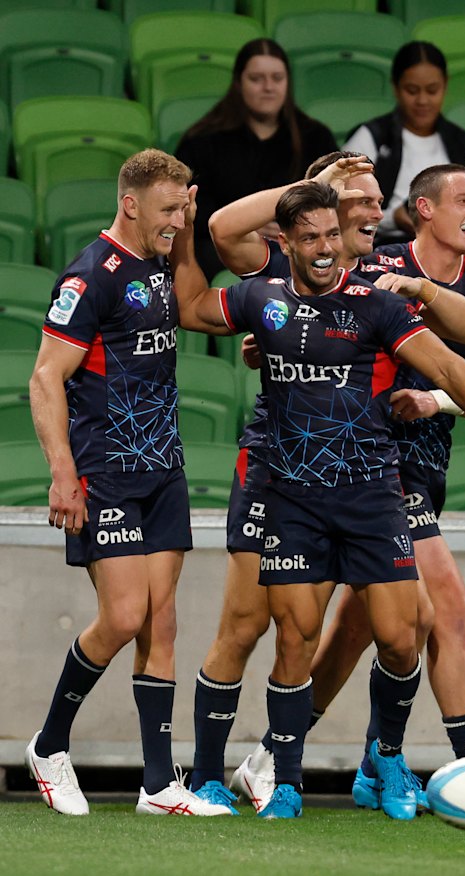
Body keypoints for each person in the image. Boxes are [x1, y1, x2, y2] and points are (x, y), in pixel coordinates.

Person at [171, 179, 465, 820]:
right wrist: (181, 232)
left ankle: (385, 758)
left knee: (403, 636)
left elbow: (453, 365)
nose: (323, 248)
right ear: (285, 241)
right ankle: (284, 779)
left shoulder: (376, 303)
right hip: (292, 496)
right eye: (309, 236)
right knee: (294, 635)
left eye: (331, 236)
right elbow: (192, 306)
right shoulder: (262, 298)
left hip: (372, 493)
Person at [26, 149, 231, 817]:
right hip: (105, 469)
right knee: (124, 616)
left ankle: (156, 785)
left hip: (163, 467)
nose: (177, 219)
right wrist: (63, 473)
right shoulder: (91, 276)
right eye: (168, 209)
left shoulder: (162, 260)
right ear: (131, 203)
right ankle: (50, 744)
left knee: (163, 622)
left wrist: (189, 231)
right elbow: (44, 377)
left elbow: (197, 305)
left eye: (183, 207)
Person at [344, 41, 465, 272]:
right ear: (396, 88)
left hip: (451, 245)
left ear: (445, 86)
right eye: (412, 91)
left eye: (432, 90)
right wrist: (394, 218)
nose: (423, 101)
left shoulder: (464, 145)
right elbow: (343, 210)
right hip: (393, 248)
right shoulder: (371, 137)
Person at [175, 38, 337, 282]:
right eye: (256, 78)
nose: (268, 87)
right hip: (220, 249)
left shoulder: (316, 138)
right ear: (239, 83)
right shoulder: (201, 140)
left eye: (277, 78)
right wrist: (246, 226)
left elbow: (332, 199)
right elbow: (186, 207)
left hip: (296, 244)